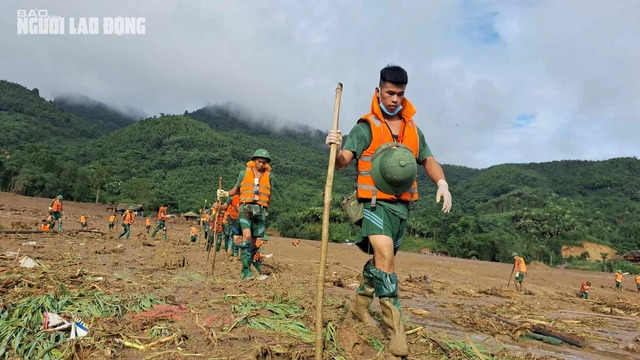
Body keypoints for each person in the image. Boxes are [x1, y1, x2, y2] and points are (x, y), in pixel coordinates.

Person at [325, 65, 452, 357]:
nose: (395, 99)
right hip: (372, 204)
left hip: (400, 207)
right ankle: (396, 330)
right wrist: (335, 147)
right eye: (390, 92)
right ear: (378, 91)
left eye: (400, 94)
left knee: (382, 261)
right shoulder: (366, 127)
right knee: (385, 255)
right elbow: (344, 160)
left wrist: (442, 182)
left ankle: (359, 304)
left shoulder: (412, 130)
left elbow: (428, 159)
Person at [217, 149, 274, 280]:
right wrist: (225, 193)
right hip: (245, 209)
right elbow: (235, 190)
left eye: (264, 162)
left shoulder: (270, 177)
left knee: (254, 242)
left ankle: (252, 266)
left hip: (260, 210)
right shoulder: (243, 174)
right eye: (259, 161)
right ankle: (245, 271)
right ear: (254, 161)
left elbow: (270, 195)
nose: (261, 164)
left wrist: (267, 209)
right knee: (246, 236)